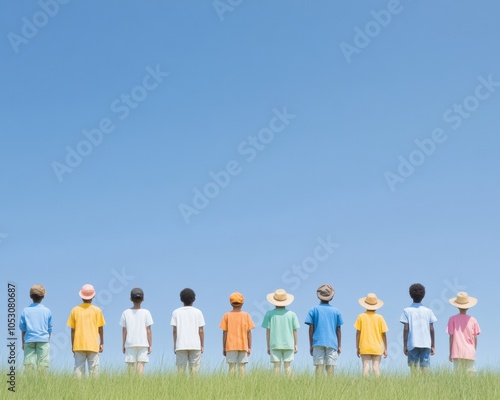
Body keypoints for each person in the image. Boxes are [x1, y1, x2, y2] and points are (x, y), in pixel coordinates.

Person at [66, 284, 105, 378]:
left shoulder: (75, 310)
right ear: (93, 296)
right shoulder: (97, 310)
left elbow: (72, 331)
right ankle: (94, 391)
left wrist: (73, 346)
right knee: (94, 370)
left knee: (78, 370)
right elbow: (100, 328)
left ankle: (79, 391)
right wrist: (102, 342)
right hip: (93, 345)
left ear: (81, 296)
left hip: (78, 345)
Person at [305, 284, 343, 376]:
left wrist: (311, 345)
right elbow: (338, 329)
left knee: (319, 367)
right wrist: (339, 345)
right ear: (331, 297)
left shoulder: (313, 310)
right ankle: (330, 388)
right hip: (332, 343)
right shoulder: (336, 311)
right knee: (330, 368)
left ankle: (318, 388)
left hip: (317, 342)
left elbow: (311, 328)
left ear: (319, 296)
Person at [400, 283, 437, 372]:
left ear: (410, 295)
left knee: (413, 367)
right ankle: (426, 385)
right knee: (425, 366)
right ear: (423, 295)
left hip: (412, 343)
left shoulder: (406, 311)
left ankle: (414, 384)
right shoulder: (428, 311)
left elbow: (406, 329)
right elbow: (431, 329)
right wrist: (432, 345)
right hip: (426, 343)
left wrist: (405, 345)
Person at [262, 289, 299, 376]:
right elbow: (295, 331)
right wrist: (295, 344)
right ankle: (292, 387)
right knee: (288, 367)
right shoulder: (292, 314)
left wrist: (268, 346)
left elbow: (268, 331)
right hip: (289, 344)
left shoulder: (269, 314)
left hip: (275, 344)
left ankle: (275, 387)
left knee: (276, 367)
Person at [19, 284, 53, 374]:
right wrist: (47, 340)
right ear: (43, 296)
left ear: (30, 296)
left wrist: (23, 342)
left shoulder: (25, 310)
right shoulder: (47, 311)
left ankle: (29, 385)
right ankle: (42, 385)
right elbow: (49, 329)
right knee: (42, 366)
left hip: (29, 340)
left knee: (28, 365)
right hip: (43, 340)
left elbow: (23, 329)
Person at [171, 288, 205, 374]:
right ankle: (193, 387)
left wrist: (175, 345)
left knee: (181, 371)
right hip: (195, 345)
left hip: (181, 345)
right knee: (194, 371)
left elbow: (175, 331)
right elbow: (201, 331)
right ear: (194, 299)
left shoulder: (176, 312)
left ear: (181, 299)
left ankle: (181, 387)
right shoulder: (198, 312)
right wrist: (202, 345)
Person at [219, 292, 255, 374]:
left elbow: (224, 333)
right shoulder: (246, 315)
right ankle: (242, 385)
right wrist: (249, 347)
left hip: (230, 346)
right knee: (242, 367)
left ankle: (231, 385)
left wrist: (224, 347)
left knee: (231, 367)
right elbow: (249, 333)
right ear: (242, 303)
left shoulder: (226, 315)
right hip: (243, 345)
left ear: (230, 303)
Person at [119, 288, 153, 375]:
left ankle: (131, 386)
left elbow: (124, 330)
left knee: (130, 366)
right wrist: (150, 344)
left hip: (130, 343)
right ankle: (140, 387)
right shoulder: (146, 312)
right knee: (140, 366)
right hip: (143, 343)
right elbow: (148, 331)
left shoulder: (125, 313)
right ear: (143, 299)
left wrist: (123, 344)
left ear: (130, 299)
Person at [354, 293, 388, 377]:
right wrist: (385, 348)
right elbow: (384, 334)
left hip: (364, 346)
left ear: (365, 305)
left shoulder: (361, 316)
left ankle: (365, 387)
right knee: (376, 367)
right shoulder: (380, 318)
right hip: (377, 347)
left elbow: (358, 333)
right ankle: (378, 388)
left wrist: (357, 347)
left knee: (366, 366)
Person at [446, 292, 480, 374]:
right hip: (470, 351)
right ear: (468, 306)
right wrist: (474, 351)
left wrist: (450, 353)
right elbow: (475, 337)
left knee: (458, 376)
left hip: (457, 351)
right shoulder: (473, 320)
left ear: (457, 306)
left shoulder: (452, 319)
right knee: (471, 375)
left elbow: (451, 337)